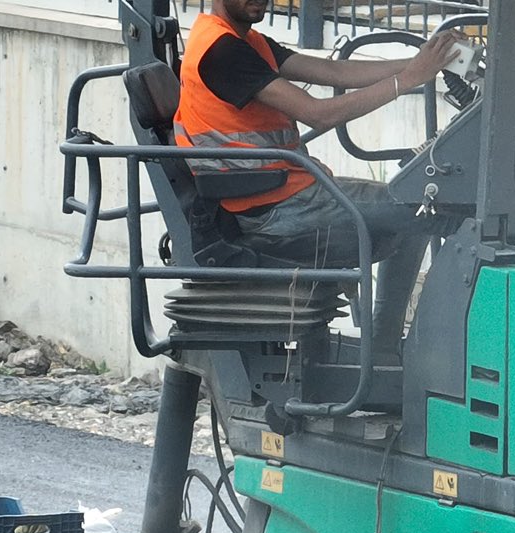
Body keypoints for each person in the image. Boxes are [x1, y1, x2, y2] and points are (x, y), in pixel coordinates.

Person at [174, 0, 466, 348]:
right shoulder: (220, 52)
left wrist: (431, 62)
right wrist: (408, 79)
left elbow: (337, 74)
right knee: (431, 211)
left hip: (292, 193)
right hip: (274, 213)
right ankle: (412, 349)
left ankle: (384, 347)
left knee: (417, 206)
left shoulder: (249, 43)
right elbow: (317, 114)